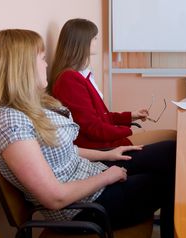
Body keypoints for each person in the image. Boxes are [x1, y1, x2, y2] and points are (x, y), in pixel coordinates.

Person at [0, 29, 175, 237]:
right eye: (42, 58)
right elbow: (55, 198)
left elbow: (65, 150)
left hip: (90, 174)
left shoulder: (30, 105)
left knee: (170, 152)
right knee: (172, 182)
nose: (46, 65)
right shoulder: (9, 122)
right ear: (22, 68)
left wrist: (108, 154)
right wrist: (107, 177)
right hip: (82, 208)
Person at [49, 18, 176, 149]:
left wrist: (131, 116)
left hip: (108, 142)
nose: (97, 41)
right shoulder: (69, 80)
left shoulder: (80, 75)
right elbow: (93, 128)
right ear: (81, 42)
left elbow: (101, 117)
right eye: (94, 38)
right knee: (171, 146)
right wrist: (130, 131)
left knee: (173, 136)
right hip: (104, 149)